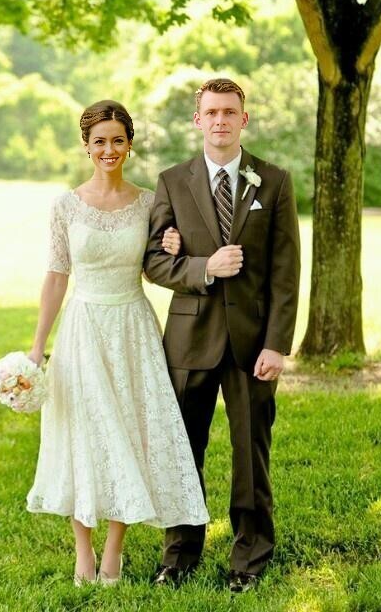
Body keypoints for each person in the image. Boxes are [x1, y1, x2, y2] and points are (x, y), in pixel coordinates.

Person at [26, 100, 209, 587]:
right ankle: (82, 550)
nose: (109, 149)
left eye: (117, 140)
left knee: (129, 432)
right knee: (83, 436)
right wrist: (37, 347)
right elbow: (56, 277)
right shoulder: (66, 206)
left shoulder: (149, 202)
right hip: (83, 328)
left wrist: (172, 245)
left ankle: (114, 550)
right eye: (100, 141)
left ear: (129, 145)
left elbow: (158, 263)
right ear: (86, 147)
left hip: (132, 327)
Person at [144, 78, 300, 593]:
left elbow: (285, 271)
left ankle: (250, 557)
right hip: (189, 340)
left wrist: (276, 343)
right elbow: (154, 262)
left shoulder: (274, 181)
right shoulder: (172, 181)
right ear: (198, 120)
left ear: (243, 119)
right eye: (211, 112)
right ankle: (178, 555)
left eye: (229, 112)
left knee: (250, 453)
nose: (220, 120)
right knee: (183, 450)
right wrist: (203, 267)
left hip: (252, 343)